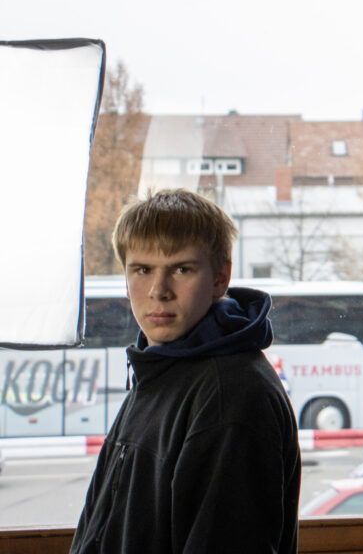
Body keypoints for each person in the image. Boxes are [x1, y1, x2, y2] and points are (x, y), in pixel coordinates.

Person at [70, 188, 301, 554]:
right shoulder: (159, 367)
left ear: (220, 278)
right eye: (142, 270)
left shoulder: (231, 394)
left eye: (181, 269)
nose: (158, 291)